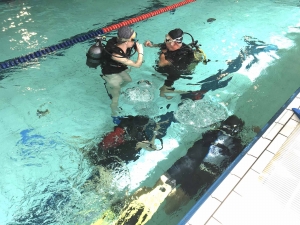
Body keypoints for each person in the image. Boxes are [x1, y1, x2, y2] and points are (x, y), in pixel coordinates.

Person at [144, 28, 207, 99]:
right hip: (168, 68)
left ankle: (189, 93)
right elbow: (161, 45)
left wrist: (163, 58)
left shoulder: (184, 54)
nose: (165, 40)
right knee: (157, 76)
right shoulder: (168, 45)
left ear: (174, 43)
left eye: (167, 39)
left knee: (162, 92)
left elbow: (166, 66)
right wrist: (151, 45)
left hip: (176, 73)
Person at [100, 26, 144, 116]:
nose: (135, 41)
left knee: (128, 80)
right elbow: (137, 65)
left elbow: (131, 46)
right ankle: (114, 112)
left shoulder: (120, 42)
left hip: (118, 67)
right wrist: (141, 52)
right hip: (110, 71)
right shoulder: (116, 55)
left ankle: (112, 87)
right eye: (133, 39)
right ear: (127, 41)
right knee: (116, 96)